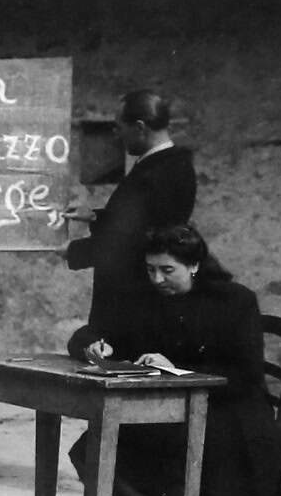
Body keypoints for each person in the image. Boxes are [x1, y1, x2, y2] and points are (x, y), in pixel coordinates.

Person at [66, 224, 281, 496]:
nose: (157, 279)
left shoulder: (235, 302)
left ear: (195, 265)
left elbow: (245, 375)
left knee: (119, 446)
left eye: (168, 270)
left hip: (231, 417)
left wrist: (178, 370)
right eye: (151, 269)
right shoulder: (145, 299)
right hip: (166, 412)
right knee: (91, 448)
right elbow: (88, 333)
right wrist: (92, 345)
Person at [63, 89, 198, 338]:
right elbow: (135, 223)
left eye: (119, 127)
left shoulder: (160, 173)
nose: (117, 134)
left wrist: (72, 251)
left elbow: (135, 241)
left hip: (137, 299)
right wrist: (94, 216)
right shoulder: (162, 166)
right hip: (133, 293)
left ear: (139, 127)